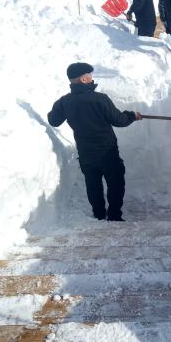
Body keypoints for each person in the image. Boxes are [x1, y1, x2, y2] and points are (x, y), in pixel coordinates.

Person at [47, 62, 142, 222]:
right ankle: (114, 215)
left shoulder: (65, 102)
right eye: (89, 75)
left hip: (85, 153)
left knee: (93, 184)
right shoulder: (100, 99)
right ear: (83, 79)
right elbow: (119, 120)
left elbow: (53, 120)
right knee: (115, 182)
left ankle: (98, 214)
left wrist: (61, 108)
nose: (92, 77)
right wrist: (132, 116)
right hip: (107, 151)